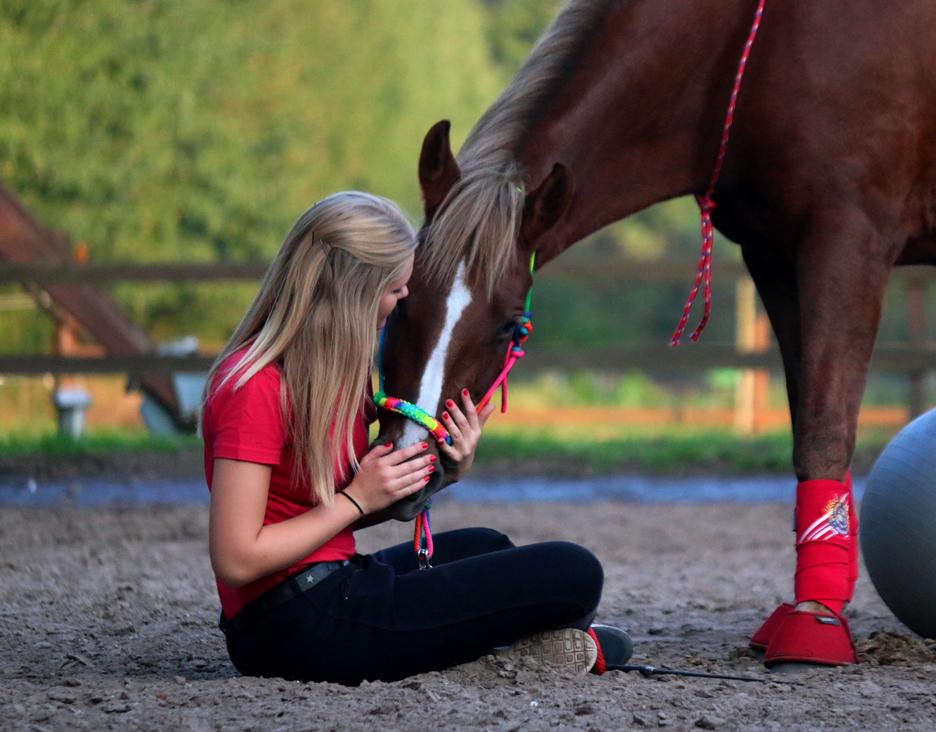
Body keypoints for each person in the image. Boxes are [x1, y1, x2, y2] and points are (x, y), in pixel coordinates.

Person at [201, 191, 628, 684]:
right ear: (352, 291)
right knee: (574, 572)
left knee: (487, 546)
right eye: (395, 288)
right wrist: (355, 502)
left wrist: (447, 471)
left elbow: (325, 513)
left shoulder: (331, 375)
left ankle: (508, 644)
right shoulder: (254, 386)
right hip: (294, 626)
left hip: (326, 588)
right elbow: (236, 558)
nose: (404, 299)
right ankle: (509, 655)